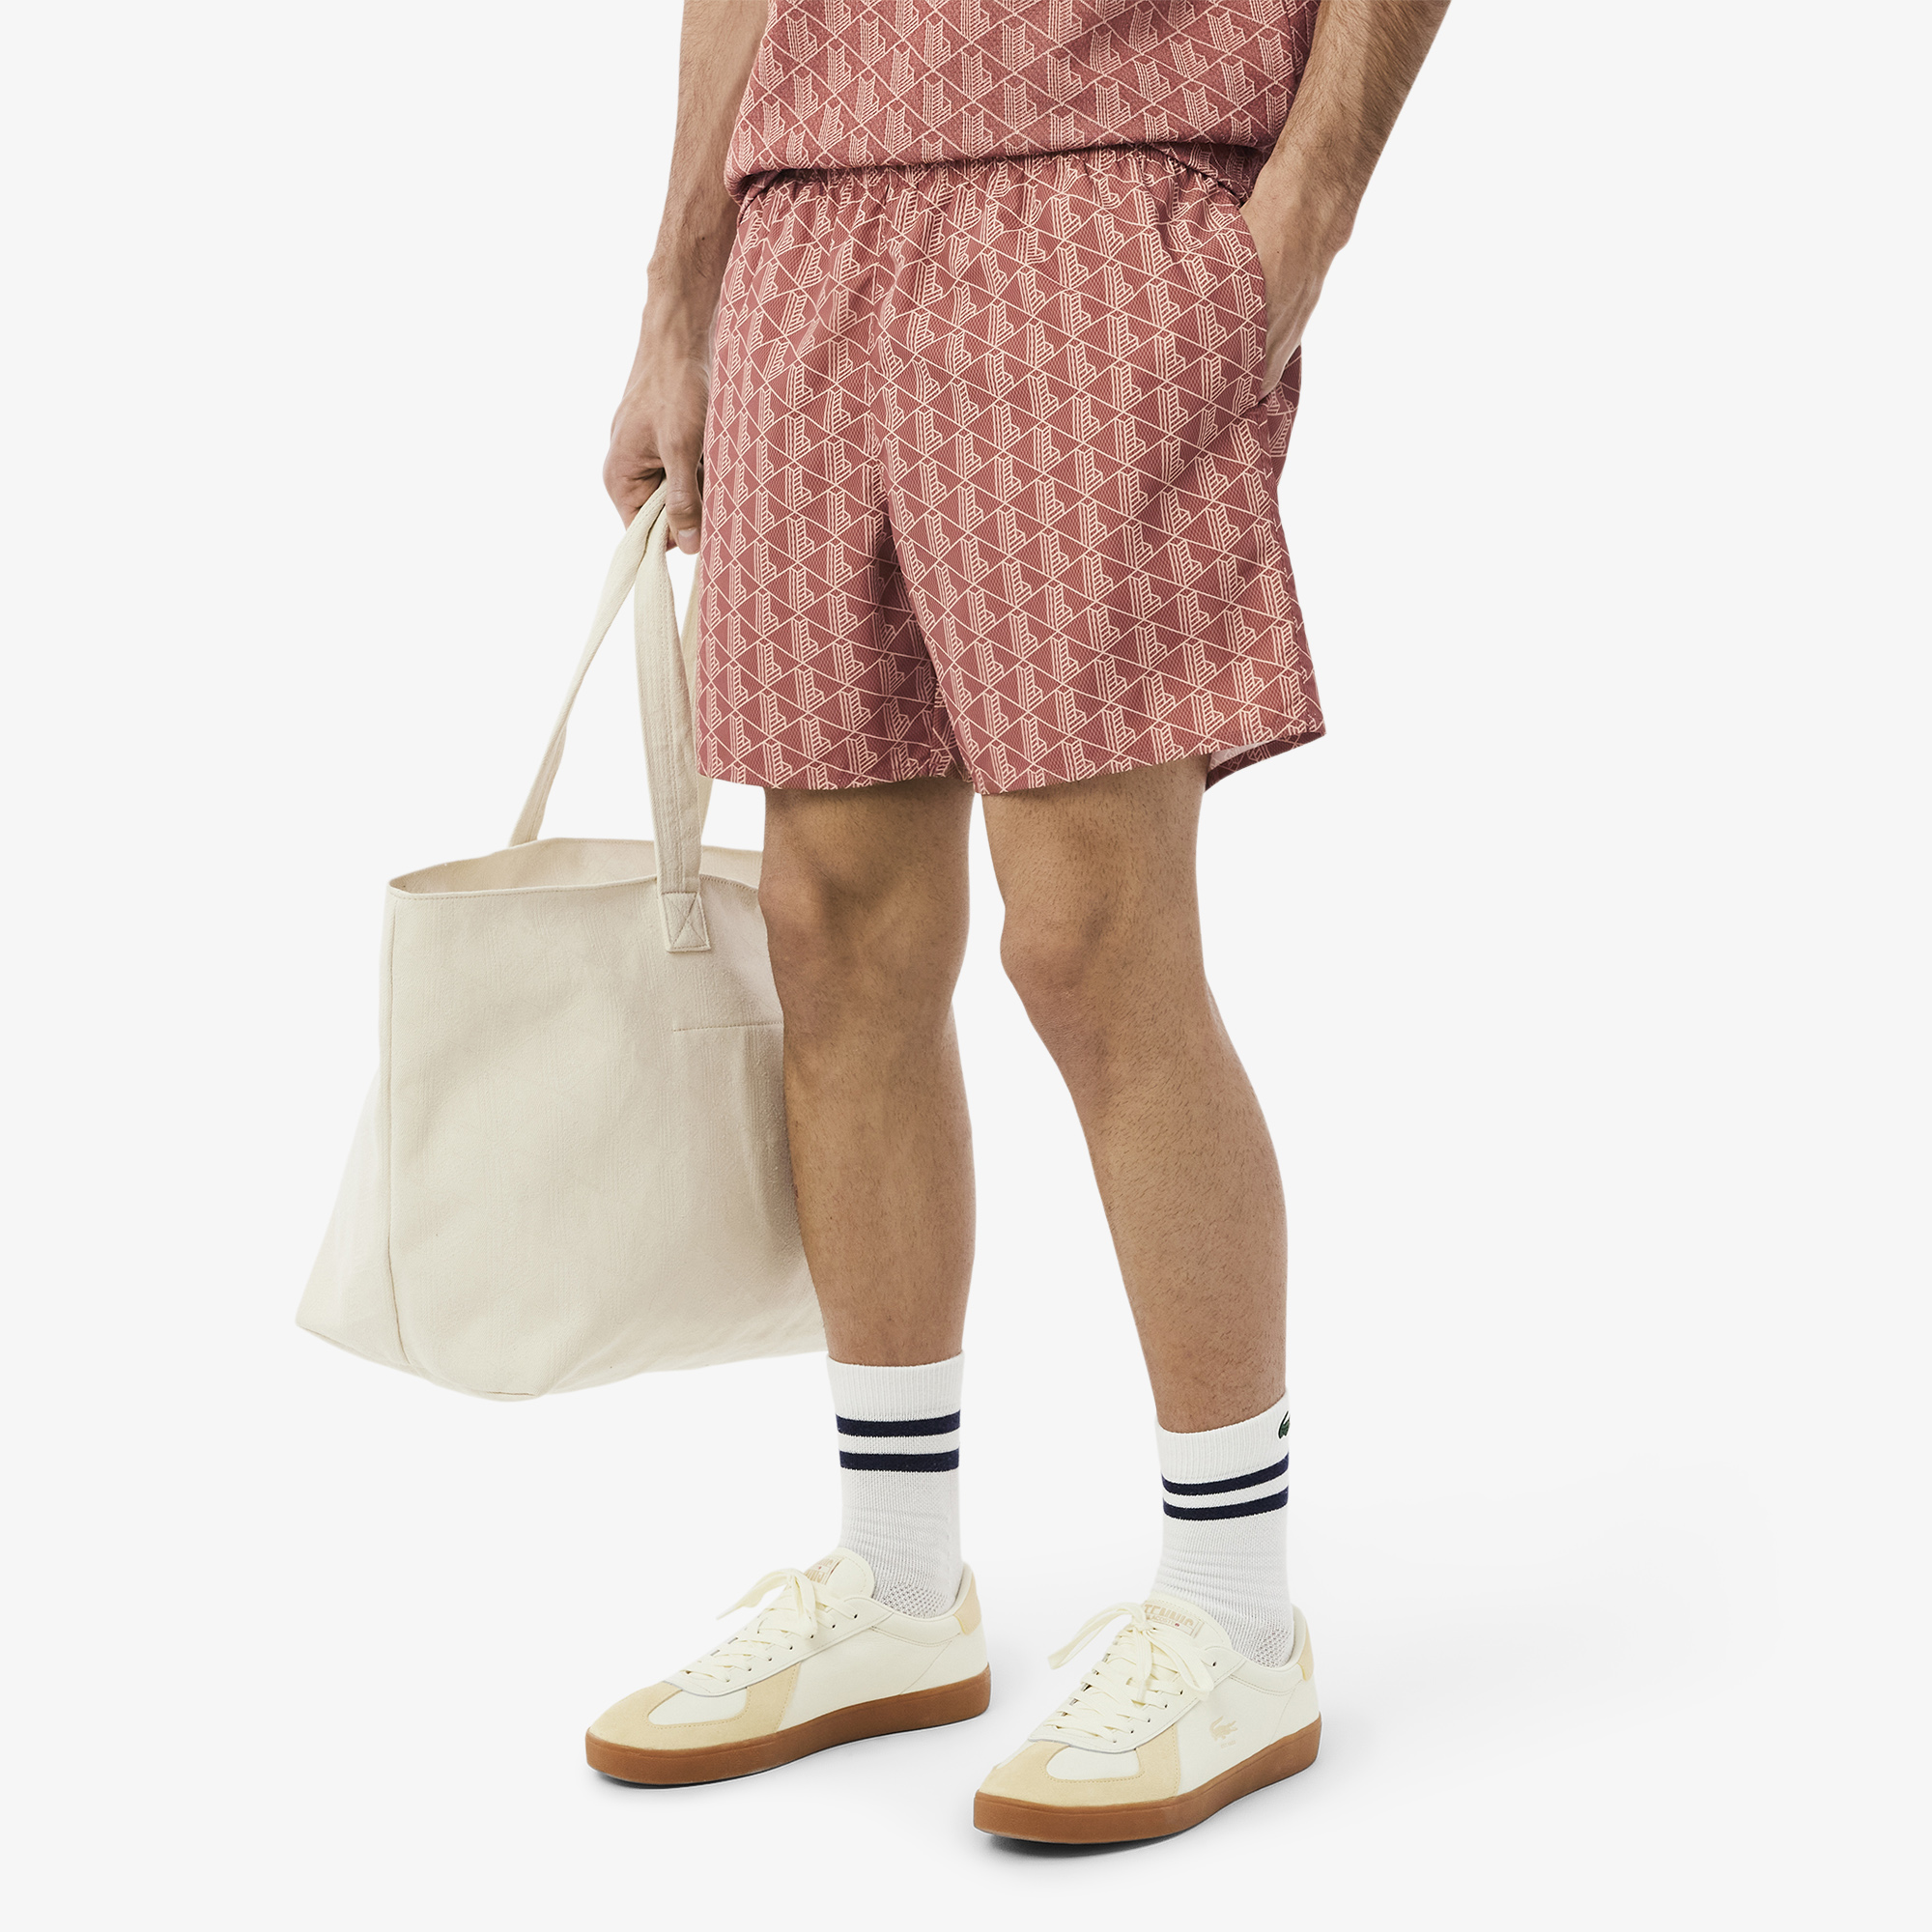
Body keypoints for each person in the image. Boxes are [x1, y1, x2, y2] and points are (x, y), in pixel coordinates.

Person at [584, 0, 1447, 1842]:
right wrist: (681, 287)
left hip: (1099, 198)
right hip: (810, 215)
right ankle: (897, 1585)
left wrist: (1307, 205)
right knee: (832, 932)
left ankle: (1235, 1611)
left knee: (1089, 939)